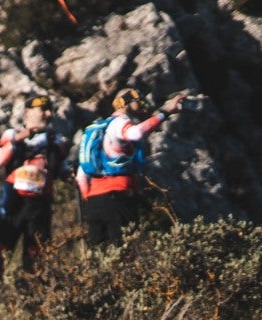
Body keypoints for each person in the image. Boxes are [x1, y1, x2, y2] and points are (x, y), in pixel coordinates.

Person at [0, 97, 70, 307]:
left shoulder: (56, 140)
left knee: (36, 261)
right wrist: (20, 139)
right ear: (28, 111)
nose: (48, 114)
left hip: (40, 208)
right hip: (13, 205)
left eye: (50, 110)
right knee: (0, 258)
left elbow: (62, 169)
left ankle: (31, 310)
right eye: (42, 110)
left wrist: (69, 174)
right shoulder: (12, 135)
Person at [76, 87, 185, 249]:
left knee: (97, 254)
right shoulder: (119, 123)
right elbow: (136, 133)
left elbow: (80, 176)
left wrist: (91, 198)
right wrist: (165, 112)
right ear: (125, 103)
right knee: (123, 251)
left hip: (95, 201)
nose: (142, 105)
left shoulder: (100, 129)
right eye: (138, 101)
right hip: (117, 196)